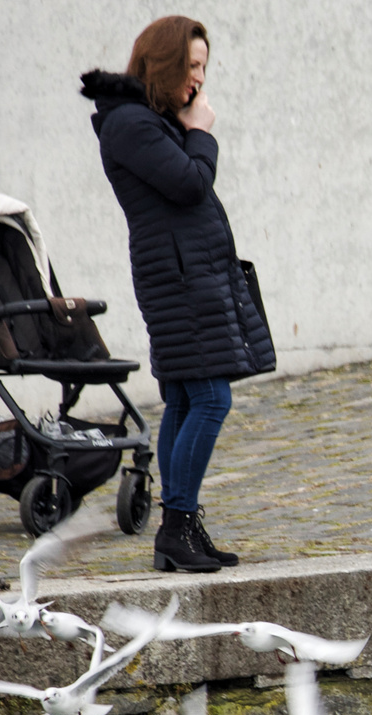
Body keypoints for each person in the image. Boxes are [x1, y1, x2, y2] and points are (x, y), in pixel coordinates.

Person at [82, 16, 274, 573]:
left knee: (189, 399)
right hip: (180, 281)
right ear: (164, 64)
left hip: (188, 275)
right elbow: (190, 184)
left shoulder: (148, 121)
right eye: (192, 67)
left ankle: (181, 527)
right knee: (211, 398)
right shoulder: (131, 125)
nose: (199, 80)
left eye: (204, 68)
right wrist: (203, 132)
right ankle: (177, 524)